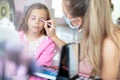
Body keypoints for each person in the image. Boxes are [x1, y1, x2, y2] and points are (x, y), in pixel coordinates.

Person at [43, 0, 120, 79]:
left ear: (78, 20)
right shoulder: (91, 35)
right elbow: (76, 55)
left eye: (65, 15)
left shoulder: (111, 42)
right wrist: (53, 37)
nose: (64, 17)